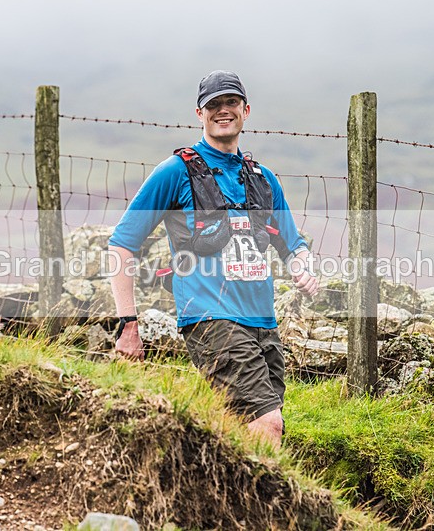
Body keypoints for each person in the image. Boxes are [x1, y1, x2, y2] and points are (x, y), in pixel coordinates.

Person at [107, 70, 318, 448]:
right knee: (266, 423)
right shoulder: (176, 171)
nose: (223, 111)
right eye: (213, 105)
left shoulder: (263, 177)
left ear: (246, 110)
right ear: (199, 113)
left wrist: (303, 266)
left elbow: (293, 244)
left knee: (244, 430)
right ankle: (269, 509)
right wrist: (128, 324)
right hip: (210, 318)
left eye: (231, 103)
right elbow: (122, 244)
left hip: (263, 322)